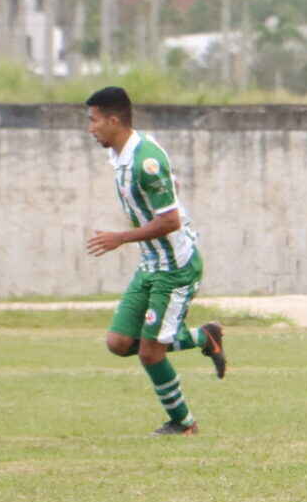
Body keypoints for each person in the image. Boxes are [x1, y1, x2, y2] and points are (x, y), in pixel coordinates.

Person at [83, 86, 227, 436]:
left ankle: (184, 423)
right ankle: (203, 337)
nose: (90, 129)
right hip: (150, 263)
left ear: (114, 120)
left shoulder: (146, 161)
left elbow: (170, 221)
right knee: (119, 343)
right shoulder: (119, 153)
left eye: (94, 121)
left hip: (176, 268)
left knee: (150, 353)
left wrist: (120, 238)